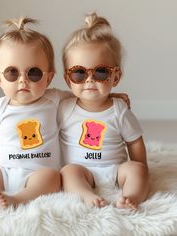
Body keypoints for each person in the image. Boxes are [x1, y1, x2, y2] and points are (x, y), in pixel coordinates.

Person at [0, 17, 72, 209]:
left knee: (53, 178)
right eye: (12, 73)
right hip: (3, 171)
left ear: (48, 78)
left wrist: (110, 97)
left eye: (33, 73)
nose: (23, 80)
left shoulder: (54, 99)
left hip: (38, 172)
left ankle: (19, 199)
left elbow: (83, 99)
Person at [58, 12, 149, 209]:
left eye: (100, 72)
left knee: (137, 171)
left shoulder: (119, 110)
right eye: (79, 73)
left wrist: (141, 167)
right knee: (68, 172)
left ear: (115, 77)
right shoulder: (64, 108)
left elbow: (135, 142)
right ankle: (85, 194)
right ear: (68, 79)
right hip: (81, 170)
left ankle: (130, 197)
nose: (89, 79)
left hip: (116, 170)